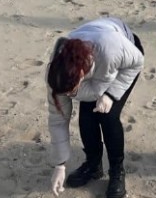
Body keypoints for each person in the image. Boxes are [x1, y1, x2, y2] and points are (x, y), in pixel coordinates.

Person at [46, 17, 144, 198]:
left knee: (108, 116)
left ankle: (117, 170)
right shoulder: (56, 73)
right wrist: (60, 165)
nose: (68, 97)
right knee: (87, 118)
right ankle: (93, 165)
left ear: (81, 75)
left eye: (71, 92)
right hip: (91, 69)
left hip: (124, 62)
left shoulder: (111, 49)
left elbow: (137, 62)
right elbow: (58, 119)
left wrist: (110, 95)